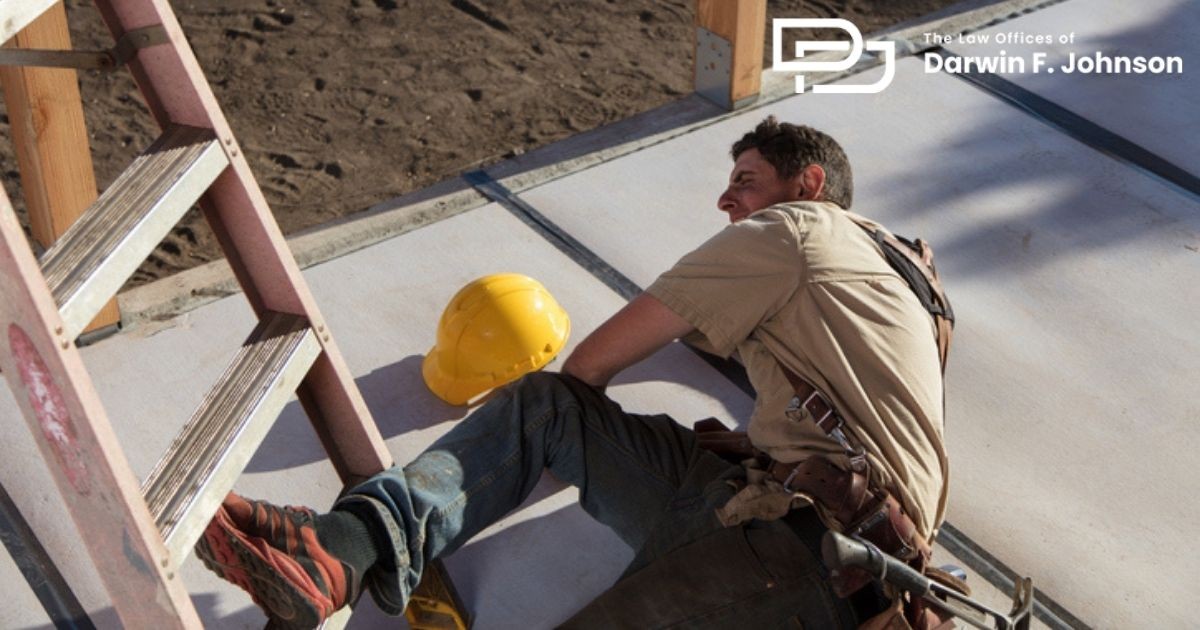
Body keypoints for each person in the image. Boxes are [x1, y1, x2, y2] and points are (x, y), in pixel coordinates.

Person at [197, 116, 949, 629]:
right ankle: (339, 552)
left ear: (809, 185)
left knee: (555, 403)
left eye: (746, 181)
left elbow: (593, 362)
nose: (727, 200)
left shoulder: (792, 230)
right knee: (553, 411)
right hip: (796, 526)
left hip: (810, 558)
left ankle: (344, 551)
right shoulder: (906, 284)